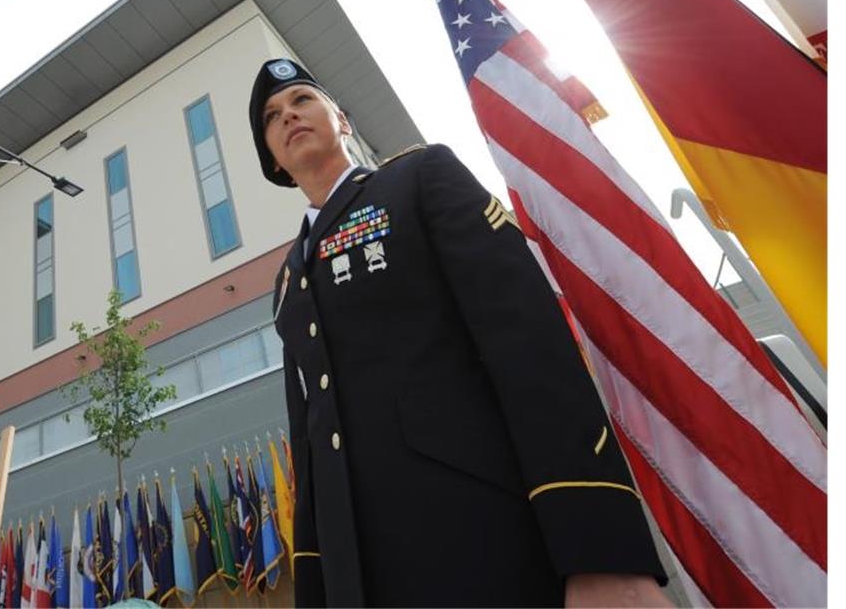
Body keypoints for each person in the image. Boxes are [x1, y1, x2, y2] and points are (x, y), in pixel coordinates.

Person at [249, 58, 672, 607]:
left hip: (484, 542)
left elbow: (527, 344)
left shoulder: (418, 180)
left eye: (302, 100)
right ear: (273, 161)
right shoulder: (287, 280)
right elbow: (310, 446)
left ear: (343, 119)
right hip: (365, 579)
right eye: (272, 116)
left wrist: (601, 551)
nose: (289, 116)